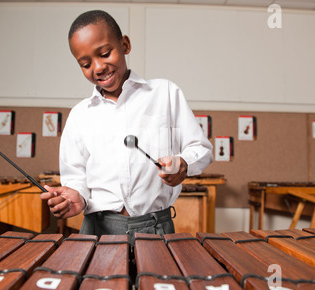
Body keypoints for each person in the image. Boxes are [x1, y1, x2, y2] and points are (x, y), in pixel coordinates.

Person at [41, 10, 213, 240]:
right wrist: (76, 197)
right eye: (85, 64)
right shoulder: (79, 115)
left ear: (125, 44)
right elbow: (75, 178)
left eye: (104, 53)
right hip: (97, 230)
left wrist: (183, 163)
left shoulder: (166, 94)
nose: (98, 67)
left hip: (155, 228)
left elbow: (201, 149)